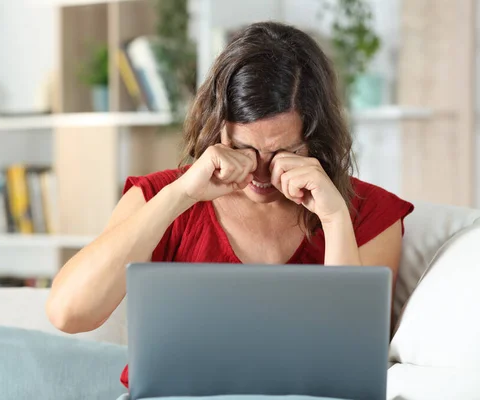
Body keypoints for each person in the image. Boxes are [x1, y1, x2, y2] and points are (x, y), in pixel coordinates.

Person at [46, 21, 414, 390]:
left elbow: (348, 363)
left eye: (284, 151)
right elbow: (69, 314)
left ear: (316, 139)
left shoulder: (368, 212)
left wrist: (334, 218)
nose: (261, 173)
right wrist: (180, 195)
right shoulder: (159, 195)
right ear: (217, 127)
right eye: (243, 148)